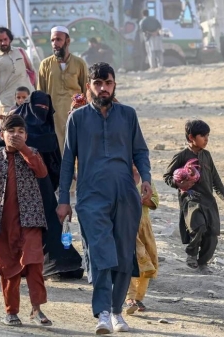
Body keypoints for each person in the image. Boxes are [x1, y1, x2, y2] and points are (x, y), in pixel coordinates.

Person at [56, 62, 152, 334]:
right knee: (100, 252)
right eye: (97, 84)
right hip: (90, 196)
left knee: (123, 255)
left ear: (114, 85)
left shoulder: (128, 115)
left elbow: (140, 152)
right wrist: (64, 200)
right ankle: (103, 312)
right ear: (89, 87)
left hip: (125, 194)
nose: (103, 88)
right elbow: (67, 163)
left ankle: (118, 311)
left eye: (107, 83)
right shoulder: (77, 118)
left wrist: (145, 178)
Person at [0, 91, 84, 280]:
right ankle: (22, 264)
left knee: (50, 225)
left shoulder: (47, 128)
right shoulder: (16, 124)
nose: (41, 112)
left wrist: (61, 178)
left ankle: (59, 265)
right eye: (38, 107)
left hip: (43, 186)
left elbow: (55, 159)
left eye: (45, 109)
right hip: (16, 187)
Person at [0, 114, 52, 327]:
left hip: (30, 221)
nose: (16, 135)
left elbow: (42, 172)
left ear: (26, 135)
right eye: (11, 132)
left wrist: (25, 149)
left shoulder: (32, 155)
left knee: (34, 263)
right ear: (2, 135)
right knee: (9, 268)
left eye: (20, 132)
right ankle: (11, 312)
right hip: (3, 224)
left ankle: (37, 308)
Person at [163, 120, 224, 275]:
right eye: (203, 136)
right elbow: (167, 176)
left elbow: (216, 179)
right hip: (191, 199)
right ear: (191, 137)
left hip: (208, 200)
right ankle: (192, 253)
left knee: (212, 234)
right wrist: (180, 184)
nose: (206, 139)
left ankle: (203, 263)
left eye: (208, 136)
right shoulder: (181, 156)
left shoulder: (207, 156)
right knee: (198, 226)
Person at [37, 26, 88, 154]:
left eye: (58, 39)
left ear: (68, 41)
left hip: (75, 114)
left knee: (77, 147)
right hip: (54, 115)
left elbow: (86, 90)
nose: (55, 43)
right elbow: (40, 93)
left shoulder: (79, 63)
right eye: (52, 40)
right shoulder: (45, 64)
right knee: (57, 149)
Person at [125, 165, 159, 314]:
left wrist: (144, 199)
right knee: (131, 260)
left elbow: (155, 201)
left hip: (144, 226)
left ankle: (139, 297)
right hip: (126, 227)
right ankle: (129, 297)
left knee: (147, 262)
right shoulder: (119, 177)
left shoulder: (146, 180)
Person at [0, 27, 35, 115]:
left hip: (28, 101)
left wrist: (37, 93)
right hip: (8, 105)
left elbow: (32, 71)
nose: (3, 43)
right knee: (10, 128)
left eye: (5, 39)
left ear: (10, 39)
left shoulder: (20, 52)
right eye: (0, 40)